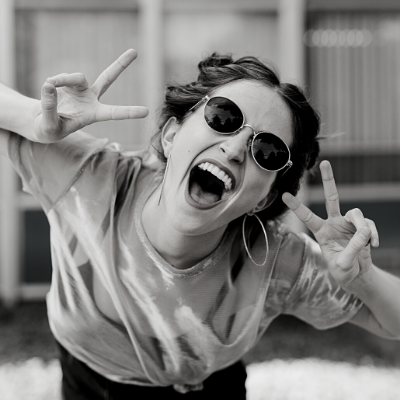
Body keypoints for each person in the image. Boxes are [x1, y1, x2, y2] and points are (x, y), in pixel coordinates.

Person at [0, 49, 399, 399]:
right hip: (88, 380)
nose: (236, 148)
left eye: (267, 151)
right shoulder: (88, 177)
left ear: (264, 198)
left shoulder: (273, 260)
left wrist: (362, 279)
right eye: (223, 117)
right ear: (172, 135)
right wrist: (33, 118)